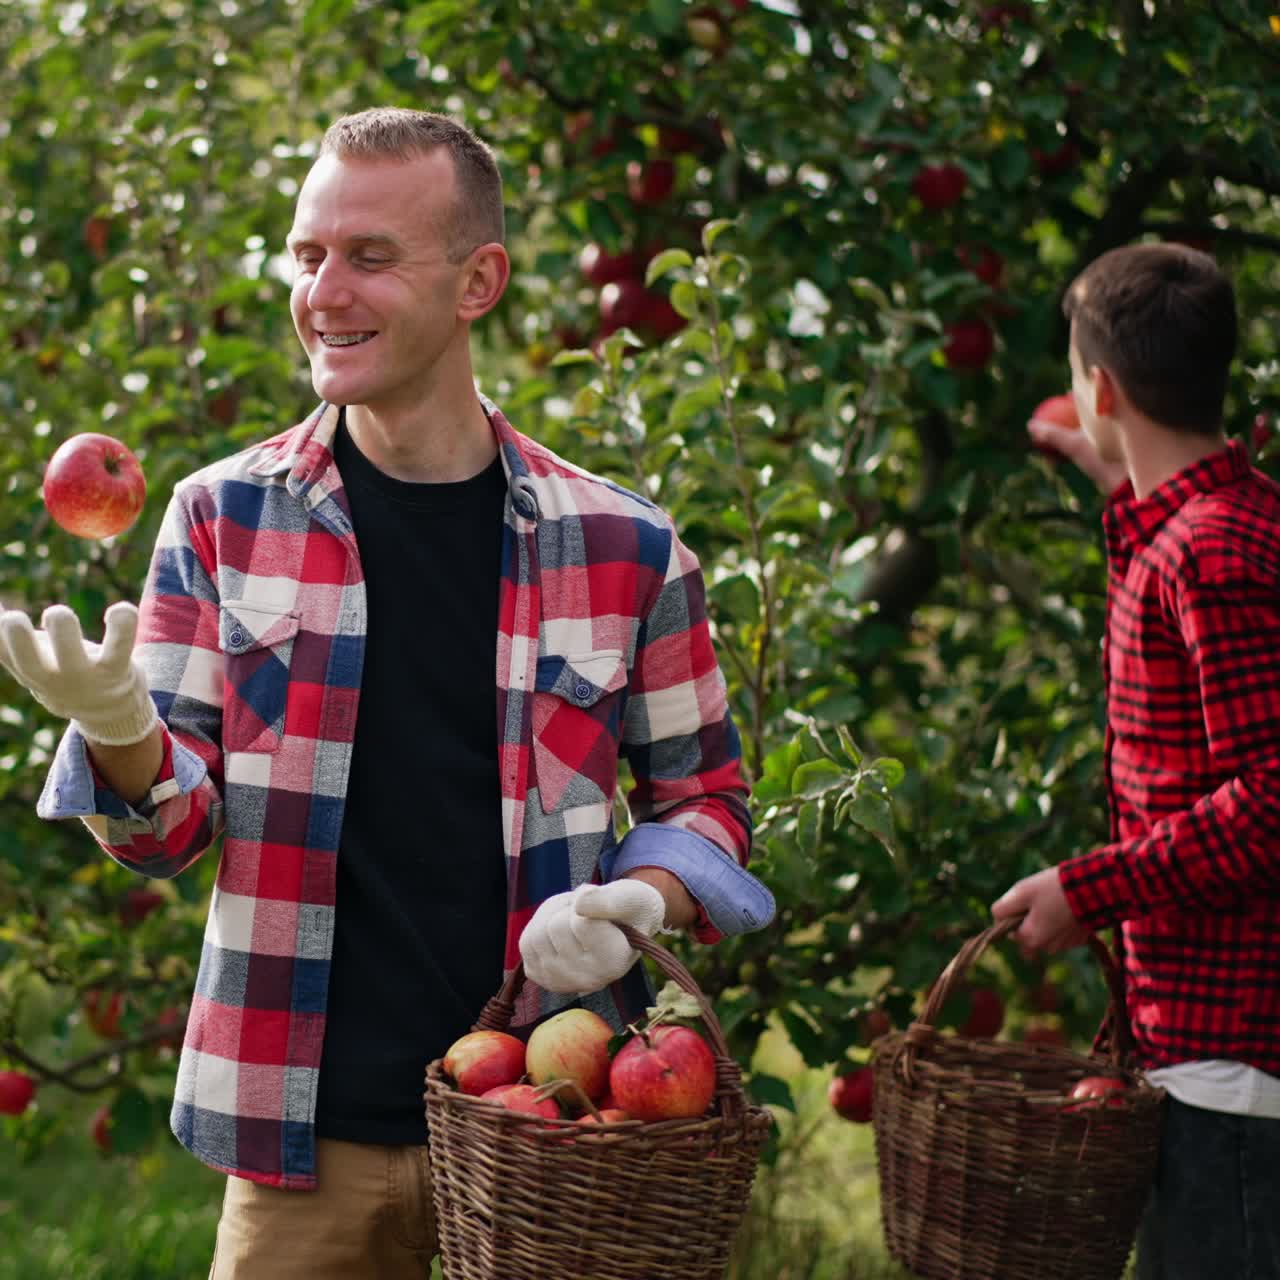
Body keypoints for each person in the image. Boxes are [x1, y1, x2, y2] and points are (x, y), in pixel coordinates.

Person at [0, 107, 775, 1278]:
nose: (323, 290)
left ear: (479, 280)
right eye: (308, 254)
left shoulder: (624, 545)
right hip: (299, 1139)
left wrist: (642, 901)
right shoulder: (221, 516)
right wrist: (119, 733)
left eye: (369, 256)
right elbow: (168, 836)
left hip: (555, 1130)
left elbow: (709, 799)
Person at [992, 243, 1280, 1280]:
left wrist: (1087, 887)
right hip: (1202, 1051)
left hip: (1233, 1060)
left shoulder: (1206, 554)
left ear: (1098, 387)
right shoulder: (1226, 518)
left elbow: (1268, 803)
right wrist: (1117, 470)